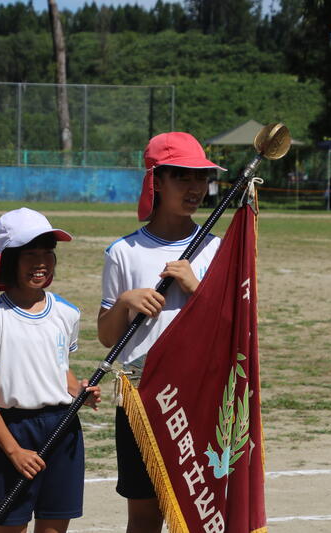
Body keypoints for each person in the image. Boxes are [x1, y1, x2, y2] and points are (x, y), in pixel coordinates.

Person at [97, 132, 224, 533]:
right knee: (145, 515)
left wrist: (196, 289)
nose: (195, 188)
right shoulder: (124, 252)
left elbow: (233, 328)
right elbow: (107, 338)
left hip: (199, 395)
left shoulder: (216, 249)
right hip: (142, 397)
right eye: (182, 176)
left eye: (201, 177)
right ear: (157, 181)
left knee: (201, 511)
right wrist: (124, 303)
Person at [0, 207, 101, 533]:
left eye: (47, 253)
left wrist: (79, 392)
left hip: (63, 429)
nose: (41, 262)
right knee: (11, 526)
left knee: (54, 526)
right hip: (13, 431)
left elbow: (61, 369)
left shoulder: (67, 312)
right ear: (7, 260)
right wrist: (13, 451)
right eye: (29, 254)